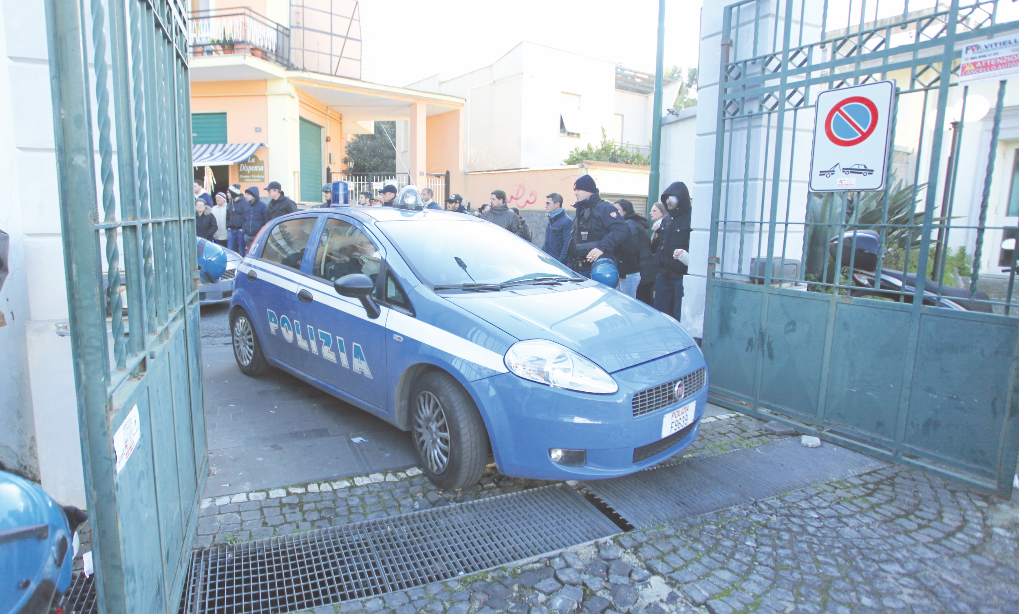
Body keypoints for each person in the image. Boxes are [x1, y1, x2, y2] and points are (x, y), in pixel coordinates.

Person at [567, 175, 627, 280]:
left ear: (589, 190)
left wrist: (601, 247)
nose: (575, 193)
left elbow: (620, 230)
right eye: (575, 190)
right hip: (578, 268)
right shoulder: (581, 209)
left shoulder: (604, 208)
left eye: (578, 189)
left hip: (598, 269)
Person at [654, 182, 692, 322]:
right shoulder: (667, 218)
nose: (669, 201)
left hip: (681, 275)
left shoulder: (691, 217)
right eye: (667, 198)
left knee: (679, 313)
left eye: (673, 198)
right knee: (660, 311)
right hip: (664, 274)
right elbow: (660, 244)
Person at [613, 199, 653, 299]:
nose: (614, 213)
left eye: (617, 210)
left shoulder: (629, 224)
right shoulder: (631, 223)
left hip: (631, 271)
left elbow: (631, 250)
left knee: (627, 302)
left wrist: (623, 272)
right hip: (637, 269)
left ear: (625, 211)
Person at [638, 201, 668, 305]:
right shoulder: (655, 226)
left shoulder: (662, 227)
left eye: (654, 211)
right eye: (650, 210)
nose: (651, 213)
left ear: (662, 213)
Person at [542, 192, 572, 265]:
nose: (546, 206)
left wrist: (560, 263)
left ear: (557, 204)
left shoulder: (567, 221)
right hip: (548, 261)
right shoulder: (551, 219)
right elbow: (547, 241)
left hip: (558, 264)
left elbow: (567, 245)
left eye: (548, 203)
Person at [226, 184, 246, 254]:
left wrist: (243, 228)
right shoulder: (230, 203)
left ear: (233, 193)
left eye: (228, 192)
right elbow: (227, 215)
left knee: (241, 250)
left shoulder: (244, 202)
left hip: (240, 230)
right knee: (230, 250)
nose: (227, 194)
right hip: (231, 229)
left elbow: (246, 216)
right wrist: (228, 226)